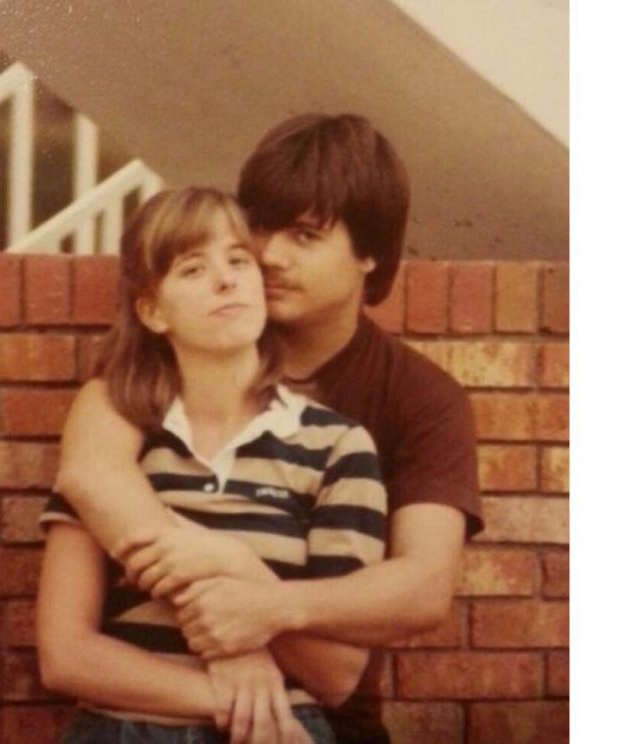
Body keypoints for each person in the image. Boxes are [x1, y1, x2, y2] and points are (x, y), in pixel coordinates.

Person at [55, 113, 483, 744]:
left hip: (325, 718)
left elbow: (422, 588)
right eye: (260, 227)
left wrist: (263, 608)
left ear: (369, 254)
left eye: (306, 235)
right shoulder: (188, 350)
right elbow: (92, 470)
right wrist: (229, 635)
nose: (269, 255)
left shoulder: (420, 398)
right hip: (152, 706)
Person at [37, 187, 389, 744]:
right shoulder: (121, 444)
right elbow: (64, 655)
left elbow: (337, 673)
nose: (225, 280)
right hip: (141, 732)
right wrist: (233, 682)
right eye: (193, 268)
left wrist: (240, 572)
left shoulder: (337, 446)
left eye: (238, 260)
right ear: (152, 311)